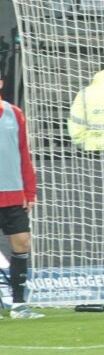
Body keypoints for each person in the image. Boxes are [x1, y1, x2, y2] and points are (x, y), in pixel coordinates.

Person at [0, 73, 41, 318]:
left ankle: (18, 304)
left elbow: (24, 153)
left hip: (13, 194)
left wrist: (30, 191)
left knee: (22, 243)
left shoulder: (14, 113)